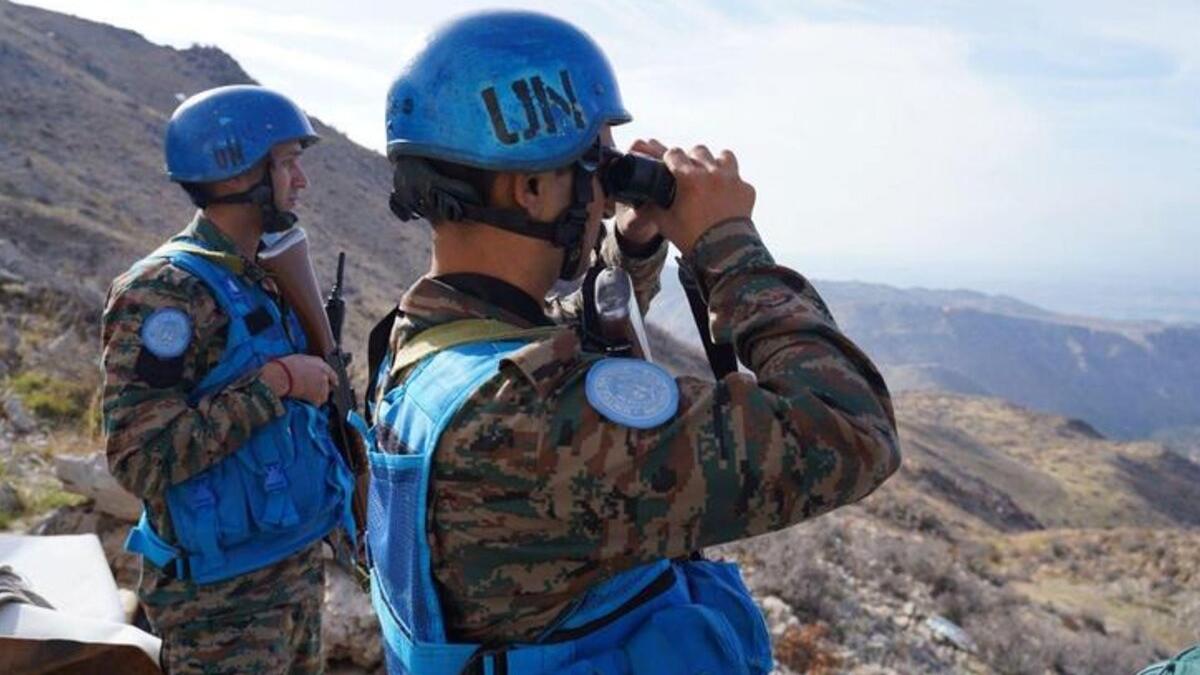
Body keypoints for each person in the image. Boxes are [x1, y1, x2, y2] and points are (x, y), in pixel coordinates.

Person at [365, 10, 902, 675]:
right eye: (596, 166)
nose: (602, 191)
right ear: (531, 188)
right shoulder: (531, 425)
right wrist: (727, 243)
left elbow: (563, 346)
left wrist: (633, 243)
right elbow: (852, 428)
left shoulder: (419, 347)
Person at [101, 85, 356, 674]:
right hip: (221, 610)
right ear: (240, 170)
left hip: (289, 577)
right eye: (288, 162)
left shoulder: (257, 274)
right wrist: (279, 383)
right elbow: (141, 459)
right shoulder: (164, 292)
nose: (301, 181)